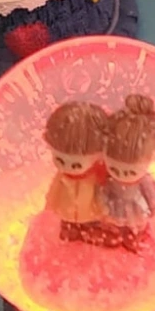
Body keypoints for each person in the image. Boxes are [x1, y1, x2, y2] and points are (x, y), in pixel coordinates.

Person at [96, 95, 155, 252]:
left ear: (153, 157)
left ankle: (134, 237)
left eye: (131, 171)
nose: (122, 175)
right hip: (116, 206)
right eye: (114, 168)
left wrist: (154, 206)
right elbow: (103, 191)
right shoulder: (109, 179)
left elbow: (151, 195)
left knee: (137, 227)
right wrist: (102, 204)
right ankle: (116, 236)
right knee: (113, 225)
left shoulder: (143, 181)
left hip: (137, 207)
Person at [43, 101, 108, 243]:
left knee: (93, 223)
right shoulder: (63, 176)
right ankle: (70, 231)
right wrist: (51, 203)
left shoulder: (96, 176)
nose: (67, 167)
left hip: (90, 209)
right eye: (59, 160)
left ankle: (90, 231)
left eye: (76, 164)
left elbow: (102, 192)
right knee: (67, 225)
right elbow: (55, 190)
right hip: (66, 206)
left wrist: (105, 207)